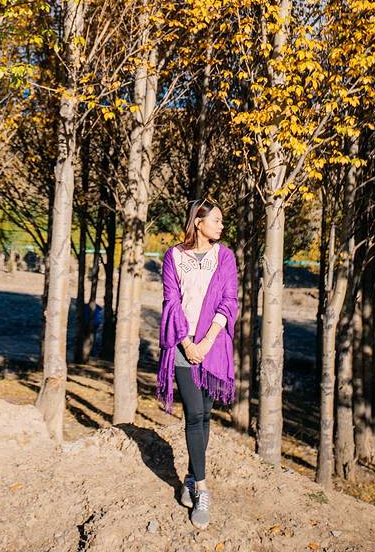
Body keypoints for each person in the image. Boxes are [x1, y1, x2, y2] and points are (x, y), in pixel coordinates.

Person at [155, 197, 239, 529]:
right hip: (183, 344)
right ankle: (202, 489)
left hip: (213, 345)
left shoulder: (225, 257)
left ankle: (191, 476)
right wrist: (187, 343)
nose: (221, 225)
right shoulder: (174, 256)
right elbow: (171, 301)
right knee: (193, 414)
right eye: (216, 220)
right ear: (198, 223)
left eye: (222, 220)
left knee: (204, 414)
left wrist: (205, 342)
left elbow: (229, 301)